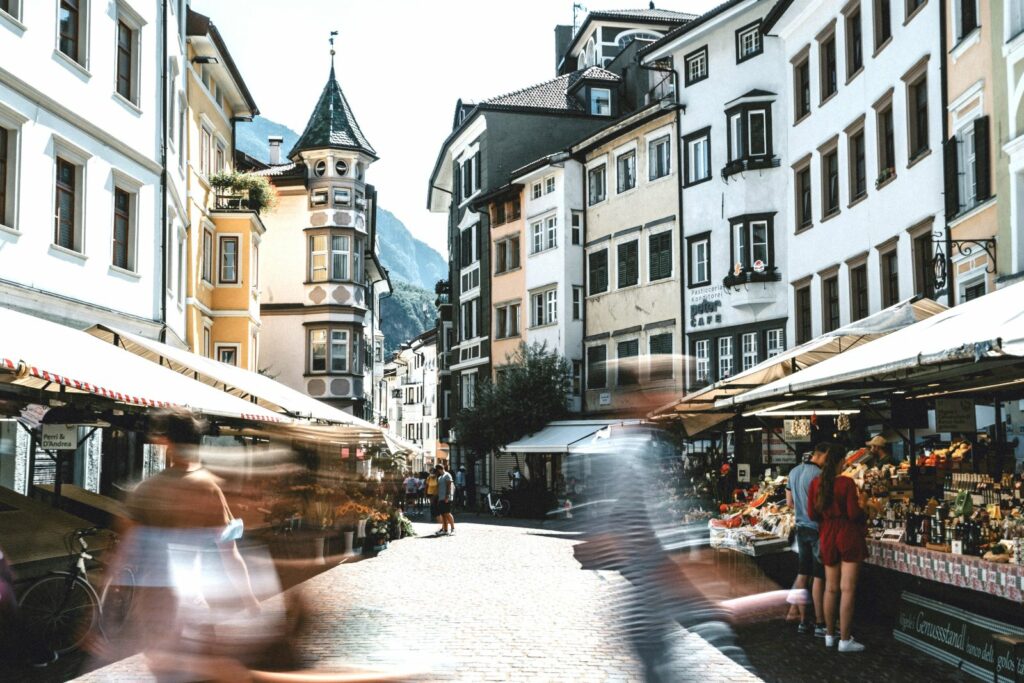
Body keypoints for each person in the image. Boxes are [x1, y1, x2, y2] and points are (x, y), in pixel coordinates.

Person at [808, 443, 869, 653]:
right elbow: (853, 514)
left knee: (830, 588)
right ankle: (845, 640)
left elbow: (812, 515)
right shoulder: (846, 483)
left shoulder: (815, 484)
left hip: (827, 535)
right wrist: (865, 507)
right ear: (841, 461)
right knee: (847, 589)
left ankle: (829, 635)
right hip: (848, 535)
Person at [786, 444, 829, 638]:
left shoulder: (793, 472)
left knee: (803, 574)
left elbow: (789, 503)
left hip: (800, 528)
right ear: (821, 456)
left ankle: (803, 620)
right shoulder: (819, 475)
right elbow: (822, 505)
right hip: (817, 529)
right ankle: (820, 623)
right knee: (819, 577)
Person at [435, 463, 455, 536]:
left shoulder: (447, 475)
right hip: (441, 497)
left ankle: (453, 529)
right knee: (443, 514)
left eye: (437, 470)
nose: (437, 472)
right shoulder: (440, 477)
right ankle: (445, 530)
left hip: (446, 498)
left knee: (447, 513)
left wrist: (447, 496)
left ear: (440, 469)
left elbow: (449, 486)